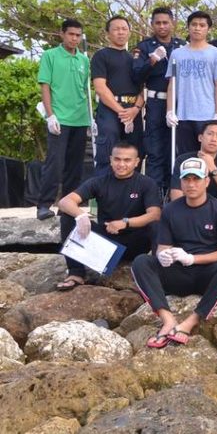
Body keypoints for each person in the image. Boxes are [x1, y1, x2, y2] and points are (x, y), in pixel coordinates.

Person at [131, 157, 217, 349]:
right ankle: (168, 320)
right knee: (141, 261)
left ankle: (191, 321)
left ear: (206, 181)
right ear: (180, 182)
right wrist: (164, 256)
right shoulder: (171, 209)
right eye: (187, 179)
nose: (191, 184)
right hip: (178, 274)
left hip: (207, 274)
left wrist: (193, 258)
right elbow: (162, 246)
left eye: (196, 179)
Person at [56, 142, 162, 290]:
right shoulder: (99, 182)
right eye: (117, 159)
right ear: (111, 160)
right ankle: (76, 273)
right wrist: (81, 216)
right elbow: (64, 202)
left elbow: (155, 214)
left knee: (157, 225)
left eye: (127, 160)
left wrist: (126, 222)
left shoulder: (147, 183)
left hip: (135, 243)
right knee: (68, 217)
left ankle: (160, 274)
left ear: (137, 162)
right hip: (107, 242)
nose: (121, 164)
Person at [36, 19, 91, 220]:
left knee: (75, 166)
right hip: (59, 118)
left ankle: (67, 205)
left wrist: (90, 118)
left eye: (78, 35)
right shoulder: (50, 56)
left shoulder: (84, 60)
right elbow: (45, 86)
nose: (74, 38)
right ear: (62, 34)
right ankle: (44, 204)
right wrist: (50, 115)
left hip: (80, 119)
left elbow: (86, 91)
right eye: (71, 34)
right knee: (54, 163)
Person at [134, 7, 186, 192]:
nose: (162, 26)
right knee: (155, 150)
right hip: (156, 103)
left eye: (165, 22)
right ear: (152, 24)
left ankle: (174, 194)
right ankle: (155, 197)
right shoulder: (145, 46)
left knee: (177, 150)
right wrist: (153, 60)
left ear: (173, 23)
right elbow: (137, 75)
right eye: (158, 23)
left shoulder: (182, 45)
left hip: (179, 104)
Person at [166, 11, 217, 156]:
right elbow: (171, 84)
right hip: (183, 114)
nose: (197, 28)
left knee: (207, 155)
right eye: (194, 24)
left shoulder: (216, 54)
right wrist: (169, 111)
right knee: (185, 155)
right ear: (188, 27)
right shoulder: (177, 54)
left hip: (207, 114)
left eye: (202, 25)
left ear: (208, 29)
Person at [92, 16, 144, 174]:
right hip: (110, 109)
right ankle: (103, 194)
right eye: (116, 29)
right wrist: (121, 112)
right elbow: (100, 87)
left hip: (133, 111)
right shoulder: (101, 56)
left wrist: (135, 109)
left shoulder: (136, 59)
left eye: (124, 29)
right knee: (108, 152)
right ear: (108, 33)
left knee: (135, 152)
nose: (120, 32)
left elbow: (143, 88)